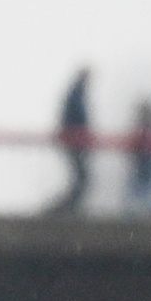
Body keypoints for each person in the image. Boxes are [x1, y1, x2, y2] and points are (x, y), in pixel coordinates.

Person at [47, 67, 94, 216]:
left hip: (75, 142)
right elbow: (73, 119)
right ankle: (65, 208)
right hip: (74, 143)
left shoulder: (76, 94)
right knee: (82, 178)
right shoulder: (76, 95)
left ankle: (66, 208)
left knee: (81, 178)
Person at [125, 96, 151, 215]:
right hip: (144, 161)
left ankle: (135, 213)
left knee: (143, 187)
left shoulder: (144, 128)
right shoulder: (149, 128)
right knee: (148, 187)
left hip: (144, 161)